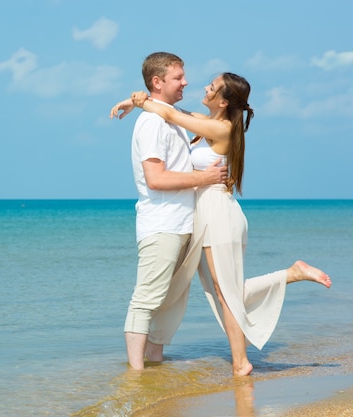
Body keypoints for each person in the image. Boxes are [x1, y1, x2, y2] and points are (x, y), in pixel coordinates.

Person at [111, 72, 332, 376]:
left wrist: (139, 101)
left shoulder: (219, 127)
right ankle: (291, 274)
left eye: (212, 87)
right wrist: (137, 100)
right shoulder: (208, 122)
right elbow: (174, 112)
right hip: (207, 212)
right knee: (223, 290)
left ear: (224, 101)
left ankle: (241, 362)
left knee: (224, 291)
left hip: (218, 213)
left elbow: (168, 112)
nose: (204, 87)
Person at [114, 52, 228, 371]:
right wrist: (204, 178)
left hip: (183, 224)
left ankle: (155, 365)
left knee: (169, 302)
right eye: (178, 77)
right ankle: (135, 377)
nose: (186, 82)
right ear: (158, 81)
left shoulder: (170, 114)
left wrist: (131, 100)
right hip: (161, 224)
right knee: (147, 299)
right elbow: (156, 178)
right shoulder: (151, 122)